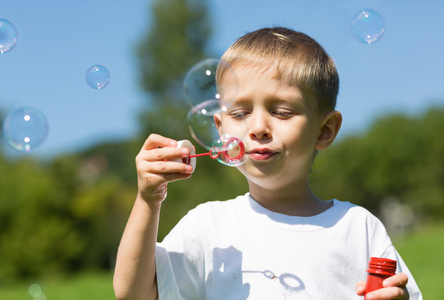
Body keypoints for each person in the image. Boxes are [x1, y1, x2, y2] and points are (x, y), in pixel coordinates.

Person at [113, 27, 422, 300]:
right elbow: (134, 293)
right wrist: (148, 200)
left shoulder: (358, 228)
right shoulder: (209, 227)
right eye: (239, 113)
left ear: (324, 130)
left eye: (282, 112)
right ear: (220, 129)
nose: (258, 127)